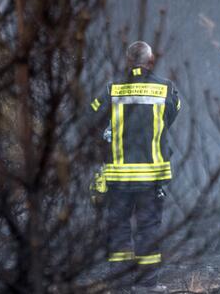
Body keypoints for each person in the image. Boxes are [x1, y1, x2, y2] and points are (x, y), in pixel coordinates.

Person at [90, 41, 181, 293]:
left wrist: (108, 134)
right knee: (148, 229)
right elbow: (172, 115)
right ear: (150, 61)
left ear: (128, 62)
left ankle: (118, 284)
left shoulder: (113, 88)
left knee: (118, 228)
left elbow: (91, 116)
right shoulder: (166, 88)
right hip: (152, 178)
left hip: (118, 178)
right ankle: (147, 284)